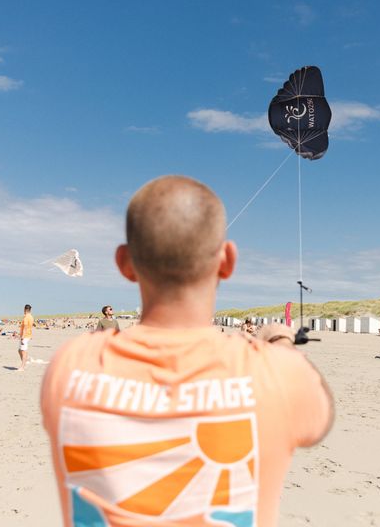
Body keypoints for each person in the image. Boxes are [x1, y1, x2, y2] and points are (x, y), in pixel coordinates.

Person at [41, 176, 333, 526]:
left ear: (124, 263)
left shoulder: (70, 365)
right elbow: (320, 420)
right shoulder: (280, 373)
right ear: (227, 260)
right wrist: (280, 342)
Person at [19, 304, 34, 370]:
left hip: (25, 336)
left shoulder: (26, 317)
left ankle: (23, 366)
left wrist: (23, 336)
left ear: (25, 309)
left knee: (23, 351)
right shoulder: (31, 317)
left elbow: (25, 327)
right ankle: (25, 361)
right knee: (20, 350)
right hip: (28, 335)